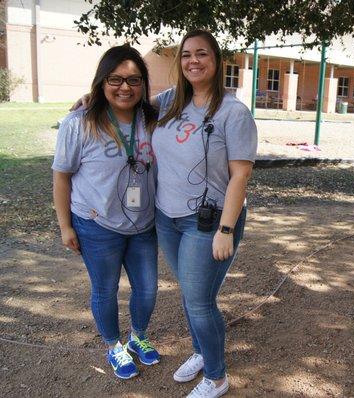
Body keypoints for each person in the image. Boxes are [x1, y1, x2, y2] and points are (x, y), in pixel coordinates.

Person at [152, 30, 257, 398]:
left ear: (216, 61)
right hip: (167, 217)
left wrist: (226, 229)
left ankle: (216, 376)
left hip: (210, 221)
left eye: (202, 54)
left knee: (199, 300)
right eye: (186, 55)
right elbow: (124, 103)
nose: (193, 61)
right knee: (189, 294)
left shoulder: (233, 112)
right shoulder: (168, 102)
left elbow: (241, 174)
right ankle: (200, 351)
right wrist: (91, 96)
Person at [53, 44, 160, 380]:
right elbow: (61, 175)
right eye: (115, 79)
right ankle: (114, 346)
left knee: (147, 288)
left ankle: (137, 336)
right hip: (96, 224)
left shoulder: (154, 118)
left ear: (143, 85)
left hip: (143, 224)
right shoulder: (79, 122)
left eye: (134, 80)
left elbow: (188, 89)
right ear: (101, 82)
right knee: (105, 289)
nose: (125, 87)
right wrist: (65, 226)